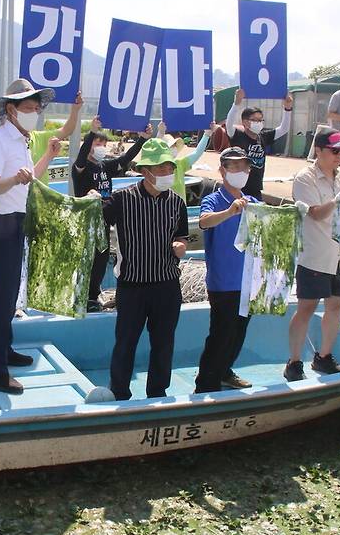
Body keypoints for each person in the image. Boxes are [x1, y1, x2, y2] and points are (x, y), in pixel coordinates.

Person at [0, 79, 62, 394]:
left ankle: (5, 349)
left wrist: (49, 156)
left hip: (20, 220)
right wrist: (14, 178)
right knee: (1, 300)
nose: (34, 113)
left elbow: (29, 180)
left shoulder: (21, 141)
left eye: (36, 109)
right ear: (11, 110)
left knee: (11, 295)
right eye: (28, 108)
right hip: (3, 224)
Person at [96, 138, 189, 400]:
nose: (167, 174)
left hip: (167, 284)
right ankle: (120, 393)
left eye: (170, 169)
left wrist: (180, 245)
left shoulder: (177, 203)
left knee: (164, 344)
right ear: (144, 171)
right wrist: (91, 198)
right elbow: (92, 217)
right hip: (132, 286)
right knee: (125, 343)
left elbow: (182, 235)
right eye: (161, 169)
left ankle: (157, 393)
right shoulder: (122, 199)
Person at [283, 129, 340, 381]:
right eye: (334, 150)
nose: (339, 156)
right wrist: (336, 200)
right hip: (315, 254)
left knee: (335, 305)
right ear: (319, 150)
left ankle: (323, 356)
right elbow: (316, 213)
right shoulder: (305, 178)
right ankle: (293, 361)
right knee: (306, 307)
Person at [194, 147, 259, 393]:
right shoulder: (213, 199)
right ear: (222, 171)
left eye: (245, 167)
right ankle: (206, 382)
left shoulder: (253, 202)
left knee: (239, 332)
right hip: (224, 282)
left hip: (248, 282)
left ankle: (224, 371)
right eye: (235, 166)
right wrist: (230, 211)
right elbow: (204, 221)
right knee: (221, 333)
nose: (241, 171)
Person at [72, 117, 152, 311]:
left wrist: (142, 139)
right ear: (89, 145)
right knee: (87, 257)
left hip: (105, 218)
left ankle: (93, 295)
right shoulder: (81, 167)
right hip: (87, 220)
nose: (101, 147)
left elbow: (125, 160)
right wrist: (91, 131)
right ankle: (81, 295)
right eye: (97, 143)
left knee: (102, 257)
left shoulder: (105, 166)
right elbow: (81, 158)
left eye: (104, 144)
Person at [225, 88, 293, 199]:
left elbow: (284, 129)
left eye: (260, 120)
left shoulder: (263, 137)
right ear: (245, 122)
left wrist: (288, 108)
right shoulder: (238, 136)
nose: (259, 123)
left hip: (256, 189)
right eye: (255, 120)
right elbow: (229, 124)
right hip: (239, 189)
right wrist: (236, 103)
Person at [156, 122, 211, 201]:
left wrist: (206, 135)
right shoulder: (155, 166)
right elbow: (156, 148)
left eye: (174, 146)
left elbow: (197, 153)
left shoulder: (179, 164)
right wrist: (160, 132)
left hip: (180, 211)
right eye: (170, 146)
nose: (173, 148)